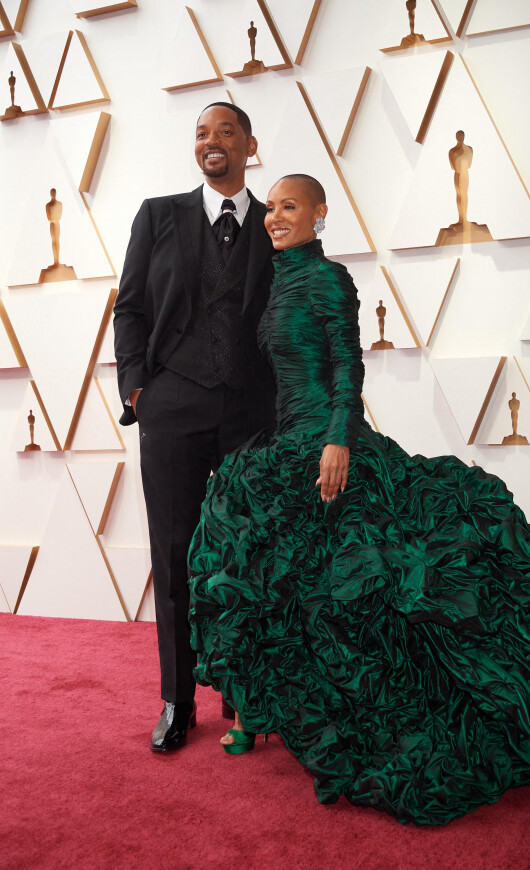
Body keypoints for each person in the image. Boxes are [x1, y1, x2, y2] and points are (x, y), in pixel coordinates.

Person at [188, 174, 530, 824]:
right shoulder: (277, 281)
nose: (276, 217)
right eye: (273, 208)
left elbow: (348, 362)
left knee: (353, 591)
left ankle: (317, 718)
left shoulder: (327, 279)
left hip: (327, 445)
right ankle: (260, 711)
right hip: (287, 442)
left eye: (291, 207)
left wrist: (339, 440)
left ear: (320, 213)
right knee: (254, 564)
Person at [113, 103, 276, 753]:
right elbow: (130, 306)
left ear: (249, 144)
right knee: (174, 554)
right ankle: (178, 703)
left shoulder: (276, 222)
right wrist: (136, 385)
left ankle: (245, 694)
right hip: (173, 405)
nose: (212, 142)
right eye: (202, 133)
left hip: (252, 412)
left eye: (226, 131)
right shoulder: (158, 215)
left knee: (249, 554)